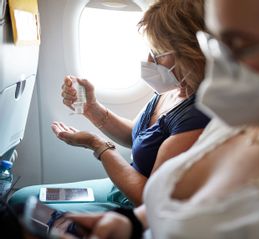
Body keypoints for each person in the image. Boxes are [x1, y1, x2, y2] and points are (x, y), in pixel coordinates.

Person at [60, 0, 259, 238]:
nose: (215, 68)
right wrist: (130, 225)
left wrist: (99, 146)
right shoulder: (237, 121)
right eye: (213, 44)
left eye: (237, 46)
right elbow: (170, 204)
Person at [9, 0, 209, 212]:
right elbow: (137, 135)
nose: (149, 60)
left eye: (157, 53)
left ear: (189, 53)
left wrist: (97, 145)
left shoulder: (197, 117)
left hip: (137, 204)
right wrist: (90, 108)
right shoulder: (171, 89)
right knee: (21, 199)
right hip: (120, 188)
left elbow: (148, 199)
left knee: (26, 211)